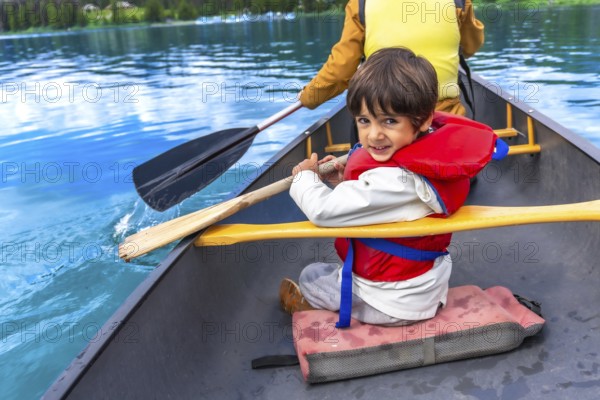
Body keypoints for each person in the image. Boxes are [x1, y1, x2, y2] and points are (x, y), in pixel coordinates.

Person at [280, 47, 503, 328]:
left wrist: (305, 178)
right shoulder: (425, 162)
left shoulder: (398, 179)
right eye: (364, 120)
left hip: (392, 305)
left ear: (421, 121)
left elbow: (324, 211)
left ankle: (322, 310)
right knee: (328, 273)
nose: (374, 134)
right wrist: (344, 182)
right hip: (425, 289)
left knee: (312, 276)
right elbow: (383, 203)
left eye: (389, 121)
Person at [299, 0, 485, 116]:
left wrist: (309, 96)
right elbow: (471, 46)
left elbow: (341, 72)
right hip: (444, 117)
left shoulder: (360, 4)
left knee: (368, 117)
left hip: (386, 119)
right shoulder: (458, 1)